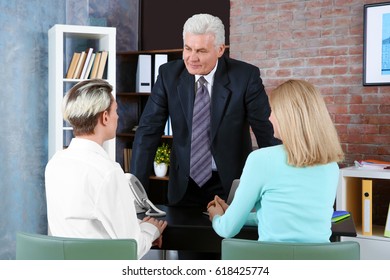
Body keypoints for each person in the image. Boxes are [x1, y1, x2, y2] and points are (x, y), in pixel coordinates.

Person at [130, 13, 280, 209]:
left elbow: (267, 134)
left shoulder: (245, 77)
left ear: (220, 49)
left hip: (230, 184)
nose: (192, 58)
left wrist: (277, 190)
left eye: (201, 51)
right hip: (183, 185)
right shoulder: (168, 75)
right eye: (187, 48)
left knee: (226, 238)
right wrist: (137, 195)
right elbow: (147, 132)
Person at [207, 79, 344, 243]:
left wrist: (217, 216)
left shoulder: (261, 159)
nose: (269, 117)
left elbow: (226, 229)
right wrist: (235, 213)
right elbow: (284, 219)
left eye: (273, 110)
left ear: (287, 117)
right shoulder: (331, 166)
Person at [45, 79, 167, 259]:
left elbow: (86, 227)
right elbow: (131, 249)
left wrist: (139, 229)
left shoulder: (55, 163)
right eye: (116, 110)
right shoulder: (108, 172)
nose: (118, 116)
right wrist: (151, 230)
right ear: (105, 117)